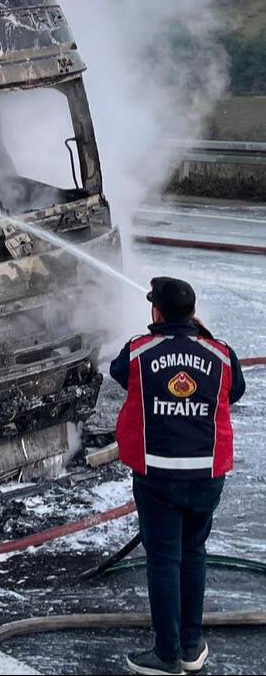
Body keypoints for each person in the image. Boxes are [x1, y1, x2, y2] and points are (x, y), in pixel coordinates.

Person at [111, 277, 246, 675]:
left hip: (157, 476)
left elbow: (119, 372)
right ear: (193, 313)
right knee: (194, 554)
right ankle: (190, 647)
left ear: (155, 313)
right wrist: (200, 335)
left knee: (164, 561)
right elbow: (234, 390)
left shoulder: (139, 351)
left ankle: (167, 654)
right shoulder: (220, 354)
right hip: (206, 477)